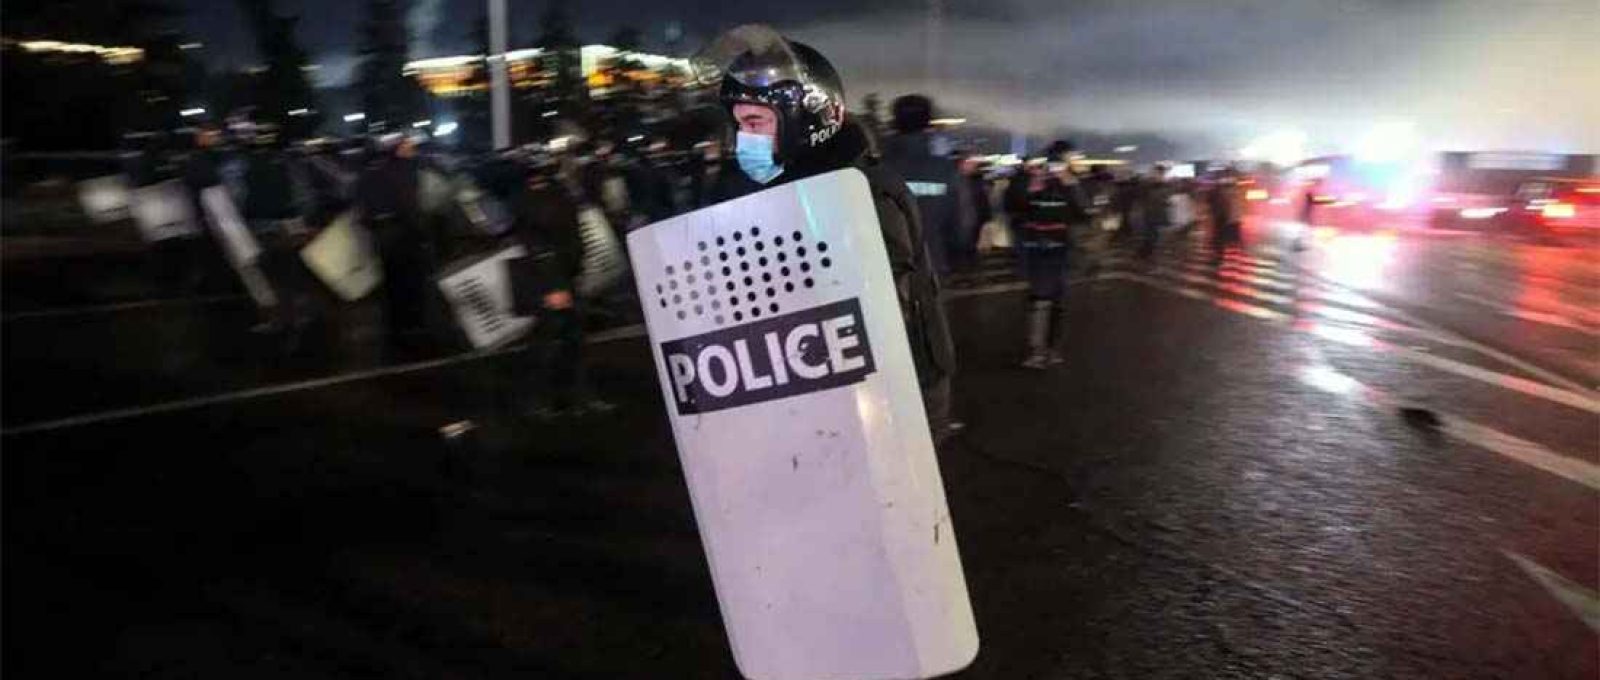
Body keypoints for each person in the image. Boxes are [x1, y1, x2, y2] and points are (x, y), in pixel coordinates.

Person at [702, 28, 961, 442]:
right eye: (738, 125)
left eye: (755, 122)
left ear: (806, 119)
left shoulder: (862, 195)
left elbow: (873, 324)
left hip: (898, 393)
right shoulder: (793, 185)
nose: (743, 139)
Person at [506, 160, 616, 420]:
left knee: (572, 342)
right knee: (549, 344)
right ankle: (541, 401)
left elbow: (570, 240)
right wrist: (552, 287)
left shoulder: (554, 195)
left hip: (565, 279)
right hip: (553, 282)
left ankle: (576, 398)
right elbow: (537, 247)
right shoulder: (532, 200)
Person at [1007, 141, 1090, 370]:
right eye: (1064, 159)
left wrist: (1072, 185)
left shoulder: (1072, 183)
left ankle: (1052, 349)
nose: (1058, 168)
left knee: (1057, 301)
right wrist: (1031, 188)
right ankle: (1036, 350)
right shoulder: (1032, 179)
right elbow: (1015, 208)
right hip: (1038, 248)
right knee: (1039, 299)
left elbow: (1084, 214)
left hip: (1062, 249)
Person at [880, 94, 973, 284]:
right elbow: (961, 223)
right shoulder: (945, 169)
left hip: (885, 267)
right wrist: (956, 256)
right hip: (932, 264)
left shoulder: (878, 168)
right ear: (928, 124)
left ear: (895, 123)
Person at [356, 133, 432, 355]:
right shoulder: (407, 172)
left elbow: (363, 212)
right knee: (412, 283)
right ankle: (414, 326)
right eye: (408, 147)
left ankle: (395, 328)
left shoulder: (369, 175)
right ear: (398, 150)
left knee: (390, 283)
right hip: (405, 237)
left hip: (382, 239)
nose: (413, 150)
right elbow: (410, 207)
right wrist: (422, 234)